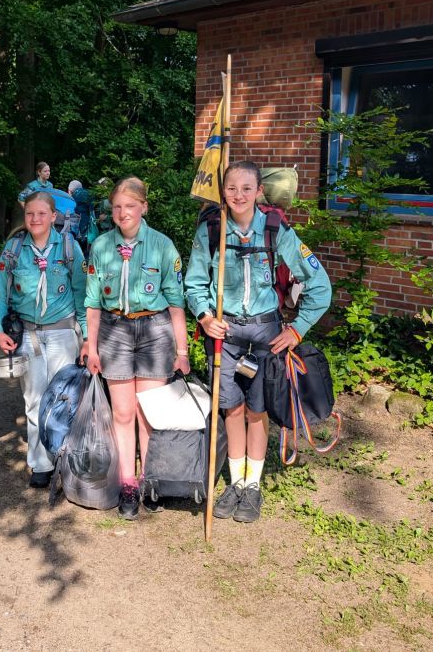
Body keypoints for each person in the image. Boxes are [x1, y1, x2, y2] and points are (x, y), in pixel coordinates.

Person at [185, 160, 332, 524]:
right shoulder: (211, 229)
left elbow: (319, 284)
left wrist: (297, 329)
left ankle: (253, 486)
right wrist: (205, 317)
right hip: (225, 335)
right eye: (231, 188)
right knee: (232, 410)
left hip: (266, 334)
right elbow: (194, 283)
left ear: (259, 191)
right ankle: (235, 483)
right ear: (223, 191)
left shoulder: (275, 229)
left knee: (257, 410)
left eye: (246, 188)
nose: (238, 195)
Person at [84, 176, 190, 520]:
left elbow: (176, 303)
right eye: (116, 206)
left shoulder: (162, 245)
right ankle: (127, 483)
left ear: (144, 207)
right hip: (114, 331)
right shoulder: (101, 246)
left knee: (148, 413)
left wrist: (182, 351)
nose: (122, 212)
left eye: (130, 205)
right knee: (122, 412)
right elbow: (92, 303)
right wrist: (91, 346)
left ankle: (151, 479)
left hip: (154, 331)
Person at [0, 191, 87, 488]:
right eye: (30, 213)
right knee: (33, 399)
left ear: (54, 216)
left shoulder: (69, 248)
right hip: (28, 334)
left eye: (42, 213)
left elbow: (82, 295)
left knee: (64, 398)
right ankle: (41, 463)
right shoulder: (14, 249)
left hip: (62, 332)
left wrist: (86, 337)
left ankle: (64, 457)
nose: (35, 219)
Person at [67, 180, 92, 256]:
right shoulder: (89, 194)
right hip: (87, 224)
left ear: (70, 189)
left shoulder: (72, 197)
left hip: (75, 224)